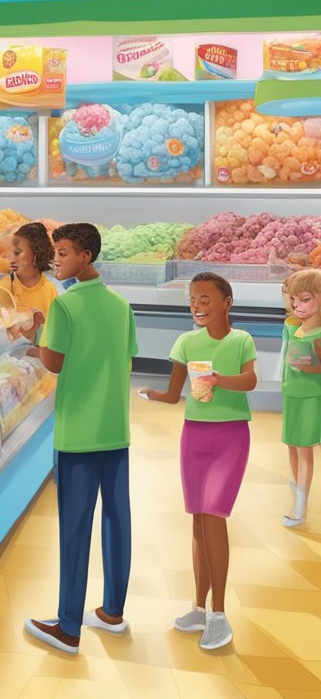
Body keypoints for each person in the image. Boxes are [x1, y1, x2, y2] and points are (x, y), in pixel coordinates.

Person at [24, 223, 137, 655]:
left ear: (86, 256)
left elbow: (53, 363)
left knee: (75, 529)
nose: (57, 258)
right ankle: (111, 612)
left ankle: (68, 626)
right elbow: (123, 359)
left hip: (77, 433)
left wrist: (35, 338)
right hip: (115, 429)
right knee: (117, 520)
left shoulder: (65, 306)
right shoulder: (120, 304)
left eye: (64, 252)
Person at [140, 272, 256, 650]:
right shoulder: (186, 342)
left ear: (227, 302)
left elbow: (251, 381)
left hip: (231, 436)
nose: (197, 306)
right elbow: (175, 394)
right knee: (198, 521)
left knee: (214, 516)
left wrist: (221, 379)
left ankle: (220, 614)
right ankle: (198, 608)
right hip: (194, 435)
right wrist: (151, 394)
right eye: (193, 299)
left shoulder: (242, 340)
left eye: (206, 299)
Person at [280, 268, 321, 527]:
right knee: (292, 445)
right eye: (295, 299)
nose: (297, 305)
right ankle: (297, 492)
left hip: (310, 395)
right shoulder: (292, 325)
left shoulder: (318, 335)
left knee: (304, 448)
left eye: (305, 299)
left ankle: (301, 505)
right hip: (291, 392)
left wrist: (311, 367)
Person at [0, 222, 59, 342]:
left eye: (17, 252)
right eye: (0, 254)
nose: (9, 259)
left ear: (35, 254)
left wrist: (34, 330)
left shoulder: (49, 290)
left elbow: (51, 336)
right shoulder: (2, 285)